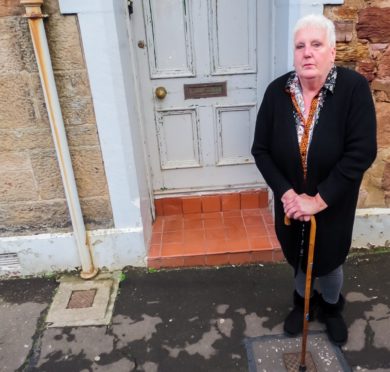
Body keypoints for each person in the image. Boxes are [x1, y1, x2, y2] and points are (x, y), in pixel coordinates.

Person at [251, 14, 377, 346]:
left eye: (316, 45)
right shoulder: (277, 92)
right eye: (300, 46)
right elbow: (261, 150)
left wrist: (318, 200)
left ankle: (332, 308)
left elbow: (361, 152)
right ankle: (303, 305)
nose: (307, 53)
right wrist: (287, 193)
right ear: (294, 54)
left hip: (333, 202)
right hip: (291, 204)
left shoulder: (353, 89)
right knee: (297, 256)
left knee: (330, 260)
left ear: (332, 52)